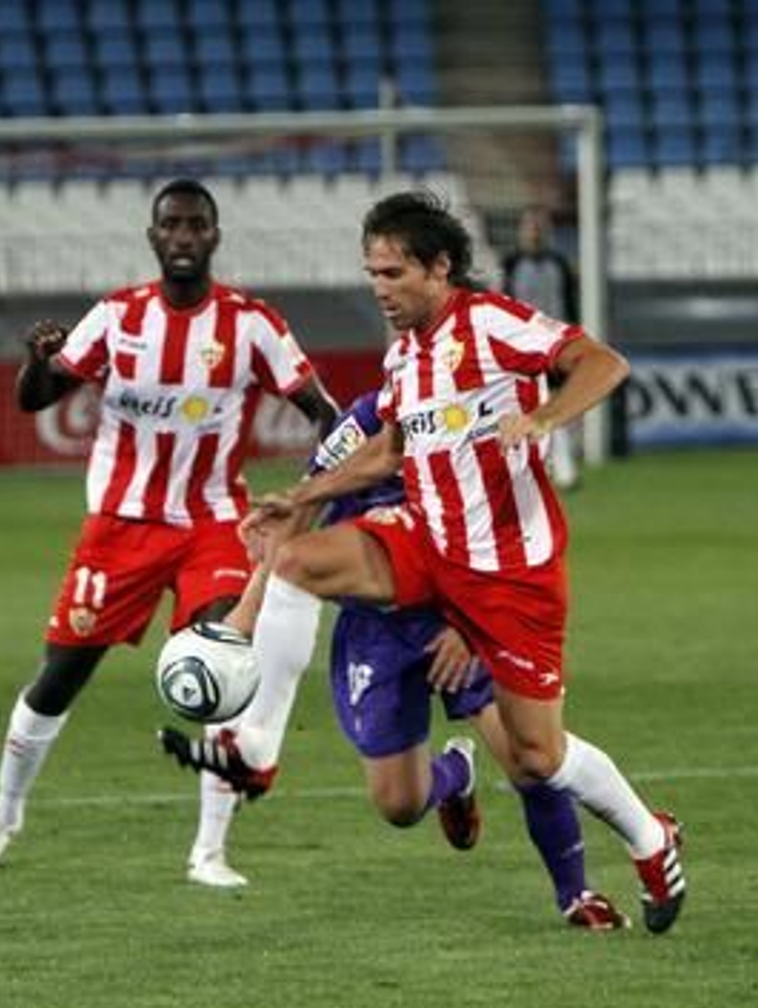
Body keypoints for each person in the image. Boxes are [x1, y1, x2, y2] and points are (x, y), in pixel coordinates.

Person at [164, 190, 685, 933]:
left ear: (440, 268)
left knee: (538, 759)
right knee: (297, 561)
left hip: (508, 572)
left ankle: (647, 837)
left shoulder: (494, 323)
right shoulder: (406, 352)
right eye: (372, 273)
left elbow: (603, 363)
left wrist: (540, 417)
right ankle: (253, 746)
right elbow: (395, 448)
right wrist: (302, 494)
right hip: (425, 544)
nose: (380, 289)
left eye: (393, 273)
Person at [0, 178, 337, 881]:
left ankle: (210, 851)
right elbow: (38, 398)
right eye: (171, 225)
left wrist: (319, 490)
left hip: (214, 523)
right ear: (153, 236)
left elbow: (324, 413)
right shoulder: (118, 318)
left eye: (196, 225)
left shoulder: (251, 324)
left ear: (214, 237)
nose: (183, 236)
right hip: (120, 528)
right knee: (59, 677)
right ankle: (2, 817)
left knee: (224, 663)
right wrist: (39, 360)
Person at [169, 391, 632, 930]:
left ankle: (576, 895)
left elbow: (516, 532)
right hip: (376, 625)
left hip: (461, 610)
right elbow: (304, 508)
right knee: (399, 804)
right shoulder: (364, 422)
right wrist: (248, 612)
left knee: (528, 756)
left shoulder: (482, 422)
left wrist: (467, 626)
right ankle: (454, 776)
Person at [501, 205, 581, 491]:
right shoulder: (510, 264)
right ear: (522, 232)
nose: (534, 233)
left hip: (554, 348)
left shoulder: (560, 264)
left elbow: (572, 307)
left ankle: (565, 470)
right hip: (521, 349)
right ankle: (528, 470)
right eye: (529, 227)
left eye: (538, 228)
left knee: (556, 406)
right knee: (520, 408)